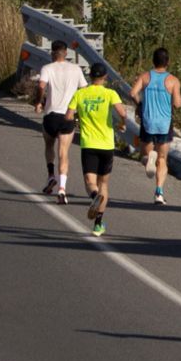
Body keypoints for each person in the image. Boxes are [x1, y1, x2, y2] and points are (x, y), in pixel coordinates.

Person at [65, 62, 127, 237]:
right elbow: (122, 113)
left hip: (89, 144)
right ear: (105, 77)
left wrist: (78, 121)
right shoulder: (110, 93)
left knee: (90, 182)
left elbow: (68, 116)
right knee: (103, 184)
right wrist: (121, 124)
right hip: (107, 145)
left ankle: (94, 197)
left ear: (90, 76)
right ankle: (98, 224)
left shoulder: (80, 93)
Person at [32, 41, 87, 204]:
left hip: (51, 115)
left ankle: (51, 175)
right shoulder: (76, 69)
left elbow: (41, 86)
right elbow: (84, 90)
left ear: (52, 53)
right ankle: (62, 188)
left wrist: (38, 102)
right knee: (64, 152)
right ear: (66, 53)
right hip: (68, 116)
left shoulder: (47, 68)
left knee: (49, 146)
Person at [131, 48, 181, 205]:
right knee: (162, 159)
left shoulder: (145, 77)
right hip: (164, 124)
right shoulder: (173, 80)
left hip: (148, 121)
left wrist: (140, 104)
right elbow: (177, 103)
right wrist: (179, 100)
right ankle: (159, 193)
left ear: (153, 61)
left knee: (145, 155)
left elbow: (132, 93)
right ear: (168, 62)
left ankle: (149, 158)